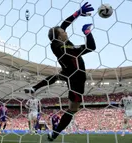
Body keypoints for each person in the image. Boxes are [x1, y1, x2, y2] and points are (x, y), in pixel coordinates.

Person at [24, 2, 95, 141]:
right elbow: (91, 47)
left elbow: (64, 24)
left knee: (57, 76)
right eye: (63, 32)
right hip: (77, 79)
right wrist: (87, 32)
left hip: (68, 72)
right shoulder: (63, 48)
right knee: (73, 109)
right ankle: (55, 134)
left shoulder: (59, 42)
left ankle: (34, 88)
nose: (65, 31)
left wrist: (78, 12)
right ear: (58, 36)